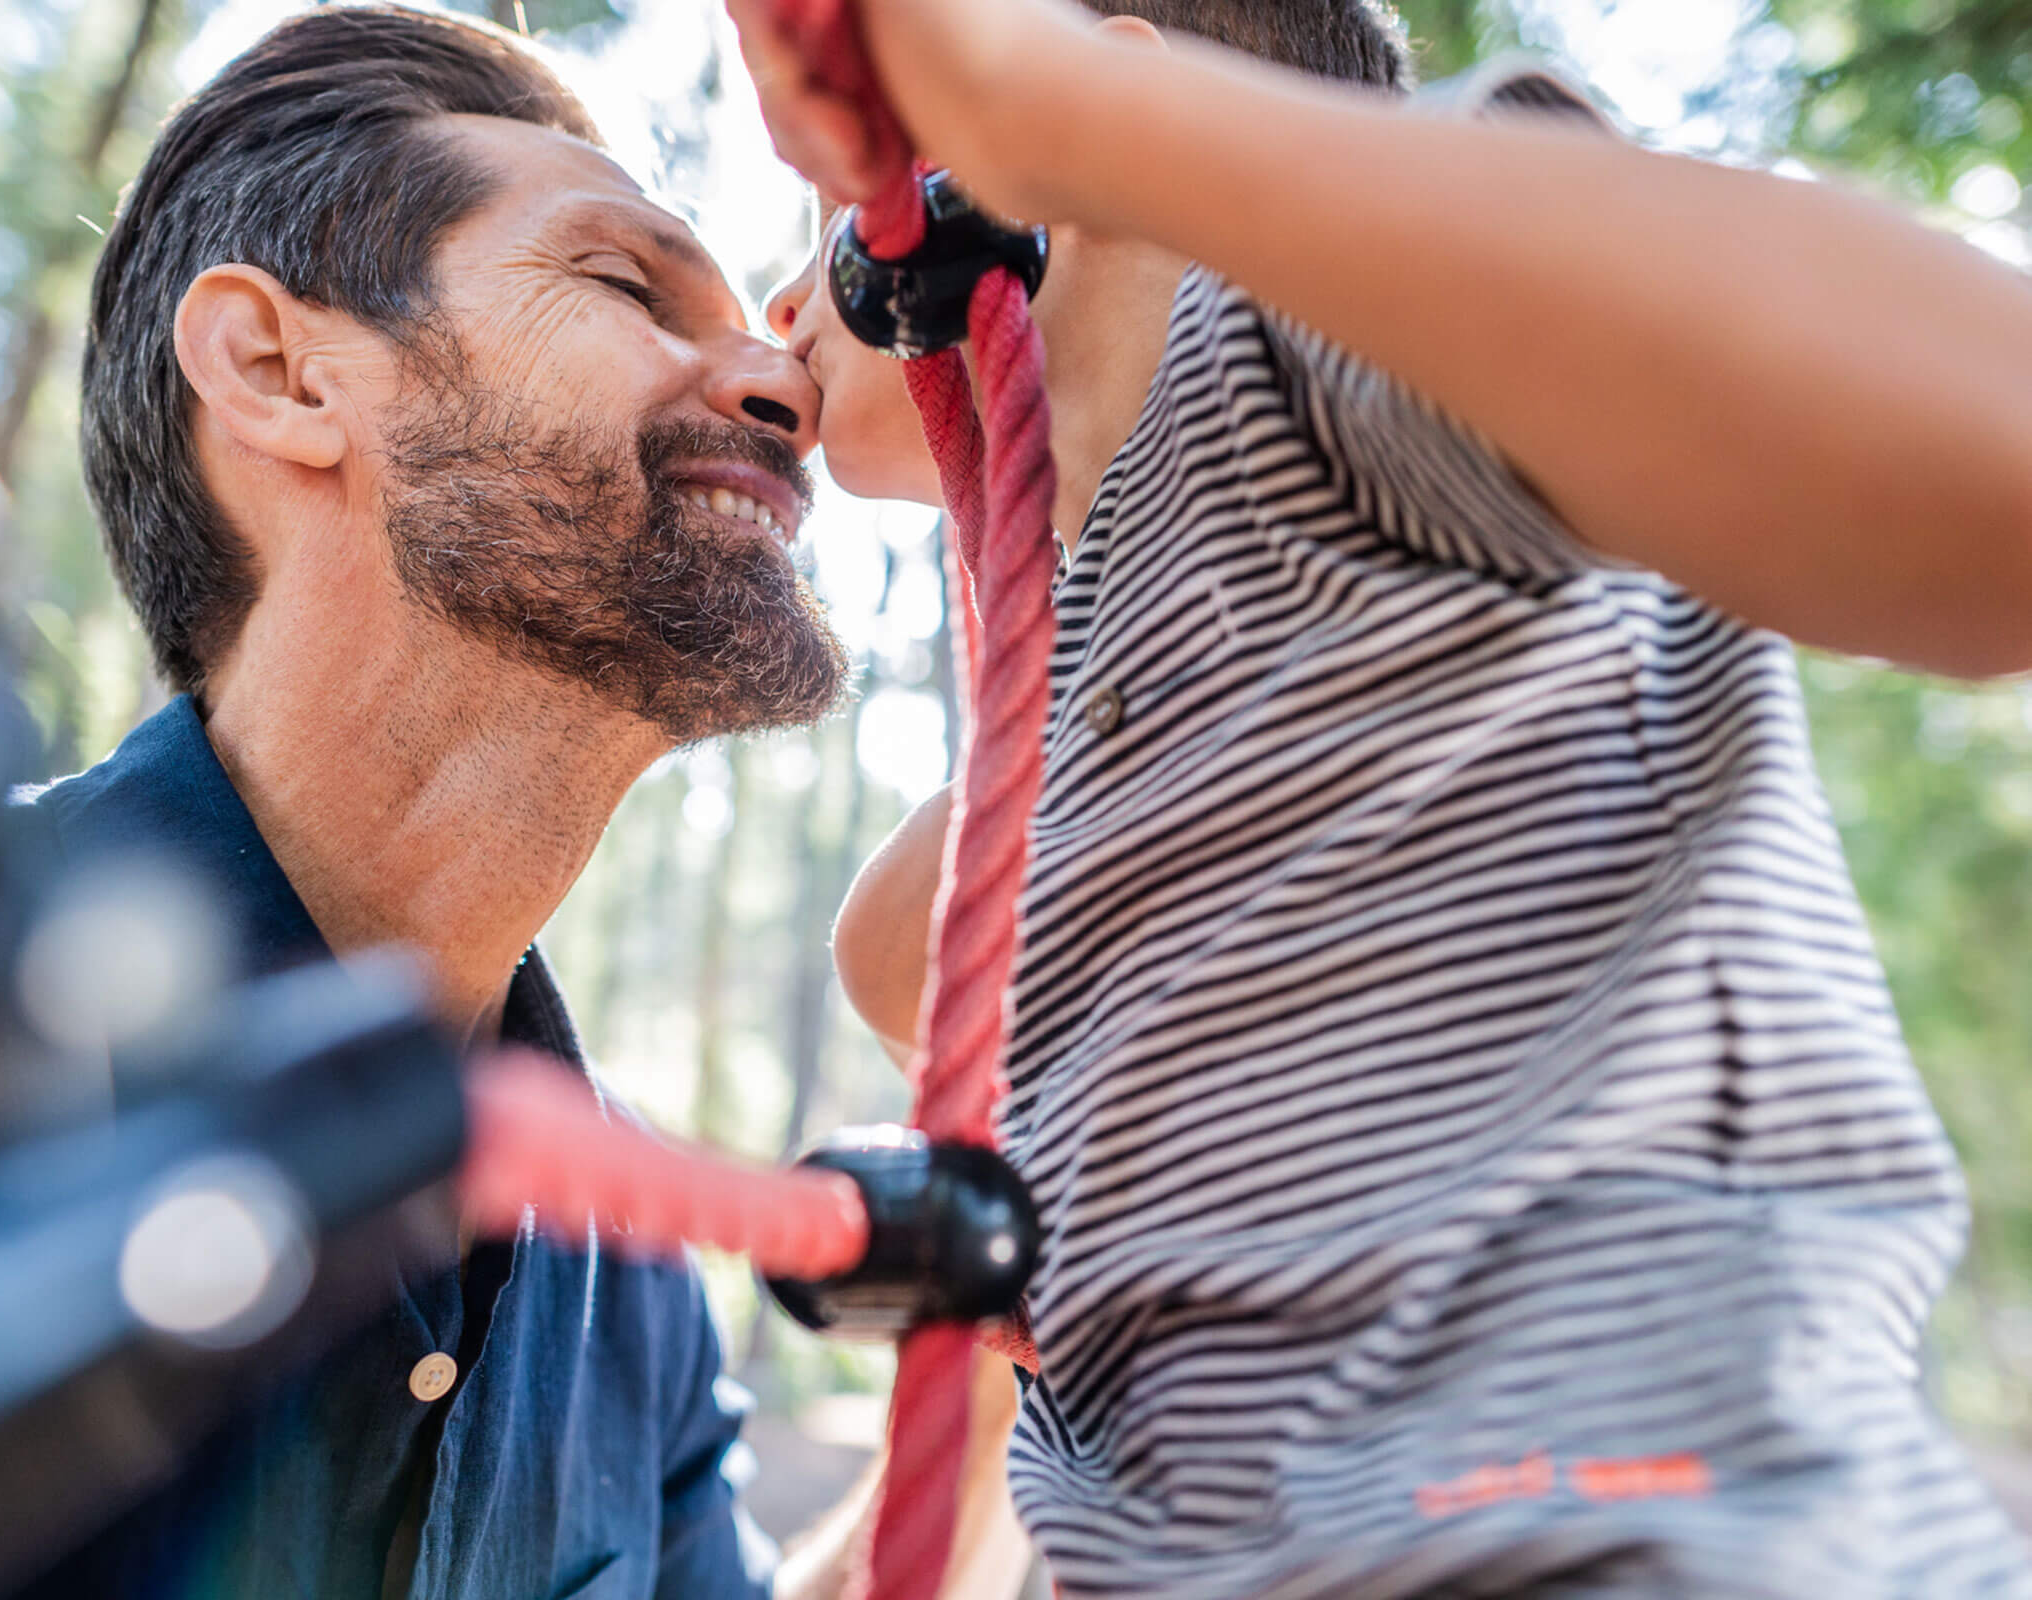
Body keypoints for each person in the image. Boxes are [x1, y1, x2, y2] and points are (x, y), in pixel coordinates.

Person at [739, 0, 2032, 1593]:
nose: (782, 299)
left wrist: (1066, 112)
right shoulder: (984, 852)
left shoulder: (1308, 338)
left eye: (838, 200)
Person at [7, 7, 1030, 1597]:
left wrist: (1030, 1291)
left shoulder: (635, 1285)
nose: (786, 379)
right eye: (628, 285)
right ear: (278, 371)